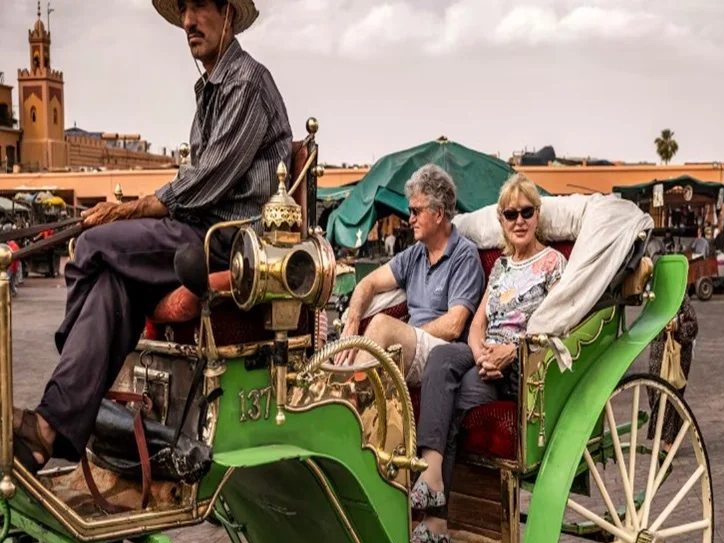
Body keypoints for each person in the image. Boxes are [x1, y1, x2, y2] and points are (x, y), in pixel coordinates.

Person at [12, 0, 293, 474]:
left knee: (95, 246)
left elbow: (206, 180)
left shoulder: (247, 82)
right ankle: (48, 430)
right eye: (183, 10)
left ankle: (79, 382)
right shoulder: (210, 88)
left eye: (199, 7)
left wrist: (127, 209)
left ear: (227, 12)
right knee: (111, 284)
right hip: (197, 231)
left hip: (230, 242)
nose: (187, 22)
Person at [411, 173, 566, 543]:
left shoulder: (552, 264)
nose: (519, 220)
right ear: (501, 219)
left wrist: (510, 352)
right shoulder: (499, 267)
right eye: (510, 213)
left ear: (536, 215)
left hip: (523, 363)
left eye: (526, 212)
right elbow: (478, 322)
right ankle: (431, 479)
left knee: (456, 396)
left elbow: (555, 323)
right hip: (485, 353)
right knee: (441, 356)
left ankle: (435, 521)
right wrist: (480, 353)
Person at [335, 164, 484, 387]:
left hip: (442, 352)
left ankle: (346, 395)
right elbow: (368, 283)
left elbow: (454, 326)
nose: (410, 219)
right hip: (414, 345)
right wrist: (353, 322)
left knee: (383, 325)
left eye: (416, 211)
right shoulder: (415, 254)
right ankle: (342, 389)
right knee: (351, 342)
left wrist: (403, 335)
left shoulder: (464, 255)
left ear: (439, 214)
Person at [647, 293, 698, 452]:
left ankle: (668, 443)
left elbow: (693, 325)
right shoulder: (654, 297)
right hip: (658, 353)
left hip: (677, 354)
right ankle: (666, 435)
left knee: (671, 396)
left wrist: (677, 326)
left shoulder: (681, 297)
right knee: (654, 393)